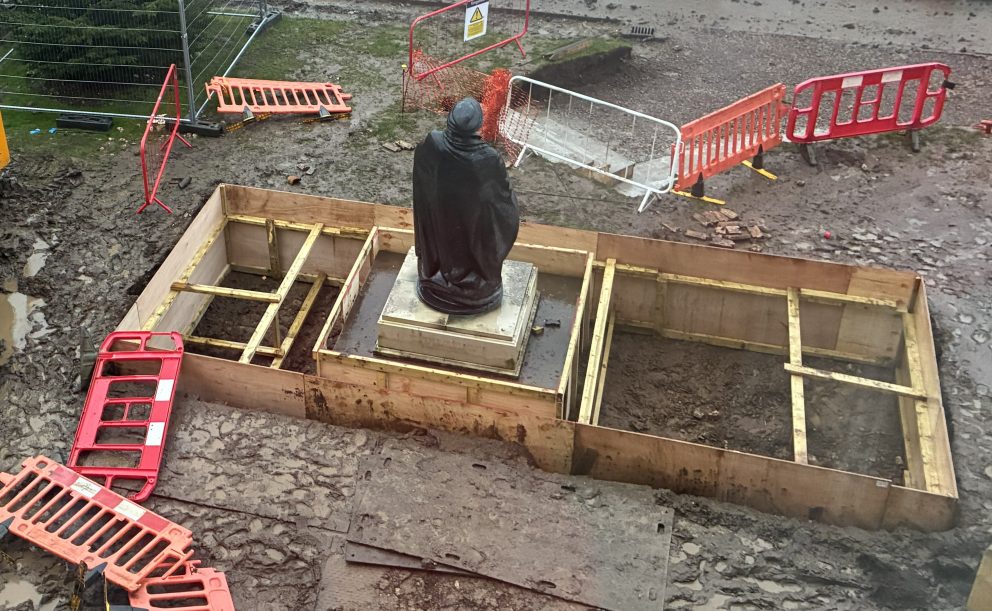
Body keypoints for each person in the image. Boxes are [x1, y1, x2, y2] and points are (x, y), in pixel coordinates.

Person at [412, 97, 520, 315]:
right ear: (478, 125)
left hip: (439, 225)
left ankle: (438, 276)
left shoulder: (432, 143)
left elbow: (421, 181)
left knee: (447, 234)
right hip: (470, 229)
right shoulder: (487, 158)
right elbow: (502, 204)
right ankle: (470, 283)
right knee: (477, 234)